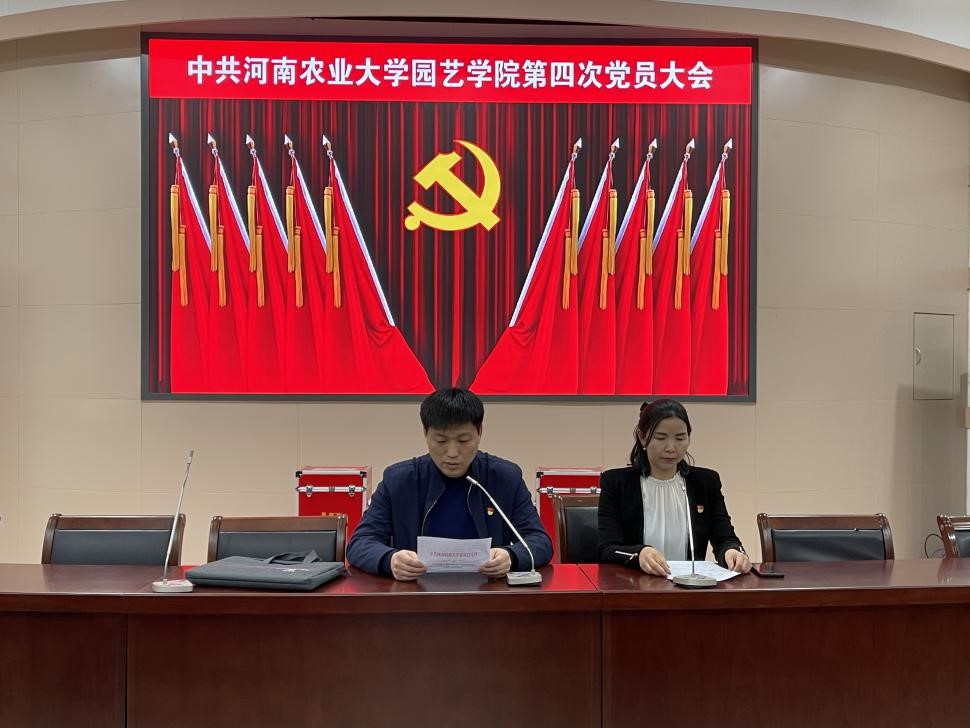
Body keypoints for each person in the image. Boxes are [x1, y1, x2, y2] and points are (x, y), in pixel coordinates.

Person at [347, 387, 553, 580]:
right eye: (441, 441)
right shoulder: (400, 481)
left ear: (479, 432)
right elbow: (360, 543)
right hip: (416, 593)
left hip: (488, 592)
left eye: (463, 441)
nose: (452, 453)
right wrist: (390, 560)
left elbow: (540, 541)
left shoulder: (505, 478)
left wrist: (512, 556)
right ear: (425, 433)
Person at [598, 399, 751, 575]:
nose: (671, 448)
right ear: (642, 437)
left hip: (689, 586)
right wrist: (639, 553)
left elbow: (725, 538)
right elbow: (606, 549)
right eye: (660, 438)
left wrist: (732, 552)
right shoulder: (616, 483)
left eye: (680, 438)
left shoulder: (706, 482)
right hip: (635, 584)